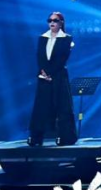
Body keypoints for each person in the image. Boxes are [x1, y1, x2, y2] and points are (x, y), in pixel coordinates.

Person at [28, 11, 78, 146]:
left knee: (62, 106)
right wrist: (43, 72)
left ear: (61, 23)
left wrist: (50, 73)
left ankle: (66, 137)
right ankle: (36, 137)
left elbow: (63, 58)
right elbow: (39, 56)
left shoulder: (66, 38)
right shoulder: (42, 38)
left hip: (59, 76)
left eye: (55, 20)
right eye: (50, 20)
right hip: (44, 76)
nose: (52, 23)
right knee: (41, 106)